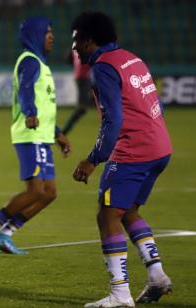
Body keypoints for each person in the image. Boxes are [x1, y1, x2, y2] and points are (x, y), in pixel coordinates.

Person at [71, 12, 173, 307]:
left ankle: (120, 295)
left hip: (134, 150)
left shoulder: (102, 68)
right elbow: (156, 101)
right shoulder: (131, 58)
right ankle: (157, 276)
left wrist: (93, 159)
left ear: (89, 40)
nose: (75, 48)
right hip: (159, 146)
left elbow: (113, 120)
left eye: (77, 40)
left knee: (107, 215)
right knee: (127, 211)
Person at [0, 17, 71, 256]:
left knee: (49, 193)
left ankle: (6, 235)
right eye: (46, 32)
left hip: (42, 136)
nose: (51, 36)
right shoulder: (29, 61)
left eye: (52, 31)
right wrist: (30, 112)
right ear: (35, 34)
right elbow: (26, 89)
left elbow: (44, 106)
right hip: (29, 135)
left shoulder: (42, 65)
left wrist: (58, 133)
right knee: (36, 190)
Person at [61, 49, 92, 135]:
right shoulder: (87, 47)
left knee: (84, 107)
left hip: (83, 77)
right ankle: (64, 131)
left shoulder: (77, 47)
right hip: (84, 77)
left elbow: (68, 57)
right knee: (82, 108)